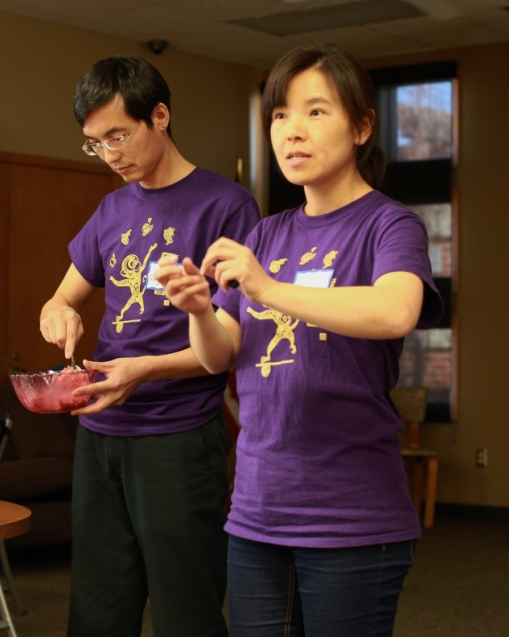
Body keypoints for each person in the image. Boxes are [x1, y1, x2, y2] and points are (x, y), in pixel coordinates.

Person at [155, 43, 444, 637]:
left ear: (362, 127)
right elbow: (218, 355)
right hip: (256, 512)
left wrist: (266, 286)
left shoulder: (390, 224)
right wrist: (199, 311)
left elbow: (395, 311)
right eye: (281, 115)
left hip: (352, 517)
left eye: (316, 111)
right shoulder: (266, 233)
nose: (292, 130)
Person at [39, 55, 261, 637]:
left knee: (185, 610)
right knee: (96, 610)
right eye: (95, 144)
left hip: (177, 435)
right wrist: (59, 313)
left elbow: (230, 343)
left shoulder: (226, 205)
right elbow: (60, 297)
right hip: (101, 431)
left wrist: (141, 370)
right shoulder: (112, 208)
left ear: (159, 116)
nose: (109, 155)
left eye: (118, 136)